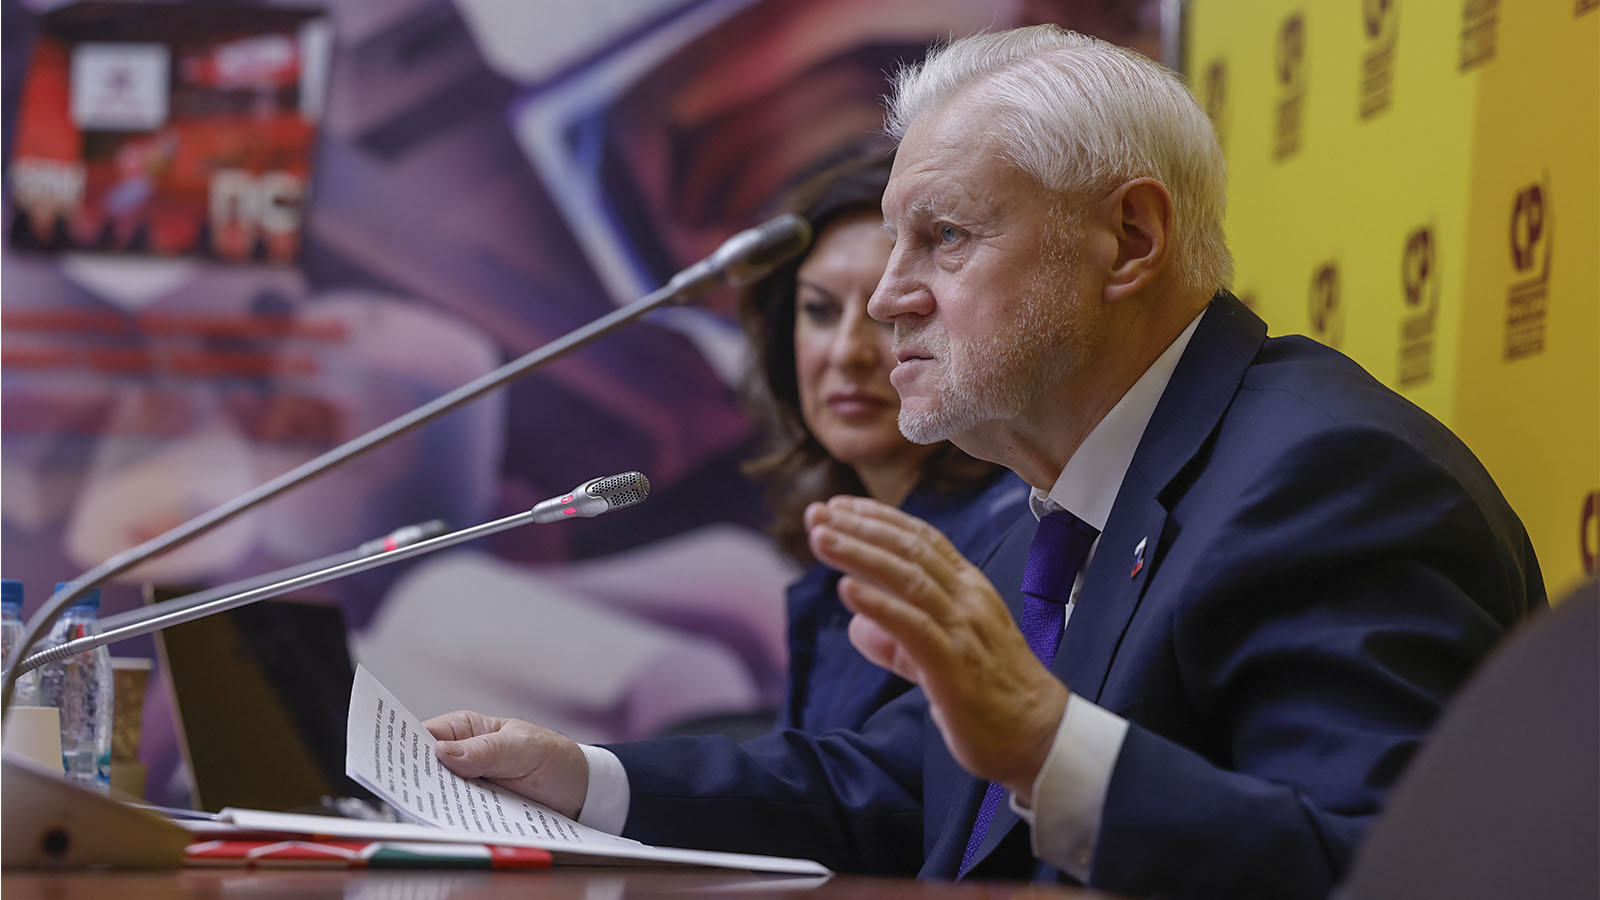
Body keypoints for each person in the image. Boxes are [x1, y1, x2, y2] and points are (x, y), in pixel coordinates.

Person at [424, 27, 1544, 898]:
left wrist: (1047, 747)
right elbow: (897, 786)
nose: (884, 298)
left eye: (944, 237)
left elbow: (1380, 871)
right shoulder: (1051, 513)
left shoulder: (1327, 482)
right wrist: (583, 777)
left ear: (1130, 240)